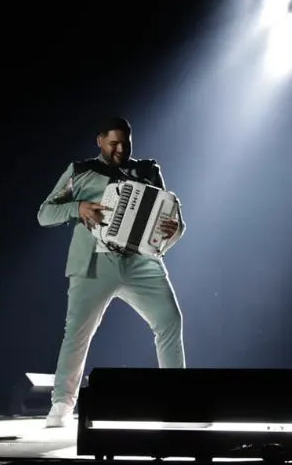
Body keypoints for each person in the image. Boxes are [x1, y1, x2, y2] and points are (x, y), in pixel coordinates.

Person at [37, 117, 186, 428]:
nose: (120, 149)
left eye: (125, 143)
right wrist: (76, 208)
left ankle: (177, 400)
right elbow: (44, 214)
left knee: (170, 321)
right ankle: (62, 404)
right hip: (93, 262)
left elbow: (171, 217)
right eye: (113, 143)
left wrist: (174, 229)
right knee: (77, 332)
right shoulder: (79, 171)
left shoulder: (148, 171)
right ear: (99, 141)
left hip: (141, 261)